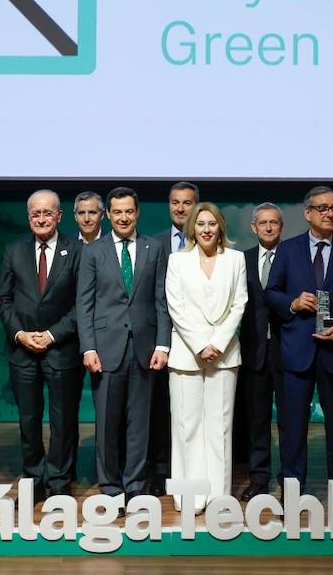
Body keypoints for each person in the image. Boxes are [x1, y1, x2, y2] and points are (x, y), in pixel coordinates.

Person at [264, 186, 333, 494]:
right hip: (296, 351)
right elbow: (271, 293)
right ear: (308, 213)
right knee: (293, 427)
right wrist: (293, 303)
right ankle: (292, 487)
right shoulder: (287, 250)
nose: (329, 213)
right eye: (323, 208)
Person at [76, 187, 170, 500]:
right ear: (109, 215)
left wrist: (162, 344)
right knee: (107, 424)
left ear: (137, 212)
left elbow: (160, 300)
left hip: (144, 349)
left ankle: (134, 485)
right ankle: (110, 486)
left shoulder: (154, 248)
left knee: (140, 424)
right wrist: (88, 348)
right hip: (105, 349)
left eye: (129, 211)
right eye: (117, 212)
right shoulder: (93, 251)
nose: (124, 217)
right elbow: (84, 304)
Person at [0, 190, 84, 499]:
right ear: (28, 217)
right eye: (36, 213)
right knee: (28, 420)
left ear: (59, 216)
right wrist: (20, 334)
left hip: (62, 350)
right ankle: (33, 479)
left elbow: (81, 304)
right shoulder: (14, 250)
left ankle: (59, 482)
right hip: (23, 351)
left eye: (48, 213)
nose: (42, 218)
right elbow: (3, 300)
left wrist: (52, 335)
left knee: (63, 421)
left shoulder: (76, 251)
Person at [165, 202, 247, 512]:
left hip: (225, 355)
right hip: (186, 354)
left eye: (212, 223)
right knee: (187, 427)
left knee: (220, 427)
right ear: (192, 229)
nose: (207, 229)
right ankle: (189, 495)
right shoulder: (177, 261)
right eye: (201, 224)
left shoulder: (236, 260)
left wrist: (219, 343)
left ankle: (218, 497)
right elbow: (176, 307)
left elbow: (239, 304)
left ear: (220, 227)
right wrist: (201, 344)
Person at [151, 181, 199, 494]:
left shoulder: (209, 242)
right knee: (158, 410)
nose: (180, 208)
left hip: (196, 341)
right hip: (159, 340)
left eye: (187, 203)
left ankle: (193, 471)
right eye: (174, 202)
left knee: (192, 413)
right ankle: (159, 472)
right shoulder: (153, 244)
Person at [238, 202, 284, 501]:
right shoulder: (241, 260)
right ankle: (259, 478)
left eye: (274, 223)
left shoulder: (294, 256)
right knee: (256, 420)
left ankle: (290, 479)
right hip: (253, 349)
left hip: (287, 349)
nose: (268, 227)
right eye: (262, 223)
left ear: (281, 227)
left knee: (289, 421)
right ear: (253, 227)